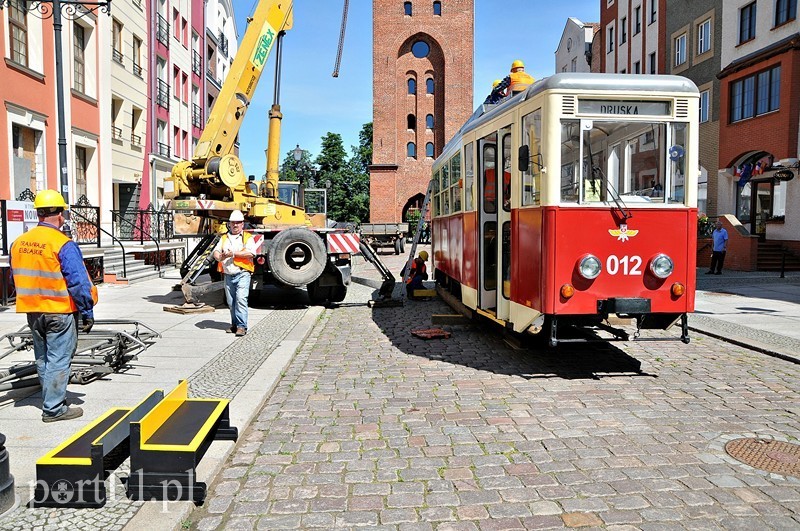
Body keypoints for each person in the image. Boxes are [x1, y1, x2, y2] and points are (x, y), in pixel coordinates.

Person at [10, 189, 98, 422]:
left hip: (32, 309)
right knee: (59, 358)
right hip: (59, 310)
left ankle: (51, 397)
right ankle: (54, 408)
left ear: (38, 213)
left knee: (43, 358)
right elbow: (78, 283)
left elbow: (14, 278)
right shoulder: (62, 243)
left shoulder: (19, 243)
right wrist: (87, 311)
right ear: (60, 215)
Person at [212, 210, 257, 336]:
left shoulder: (247, 237)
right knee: (231, 302)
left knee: (241, 299)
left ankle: (242, 326)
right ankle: (235, 325)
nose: (235, 225)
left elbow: (251, 253)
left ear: (242, 224)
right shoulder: (224, 238)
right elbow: (216, 251)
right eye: (233, 223)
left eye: (238, 223)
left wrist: (233, 254)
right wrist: (218, 257)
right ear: (229, 224)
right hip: (228, 274)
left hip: (242, 273)